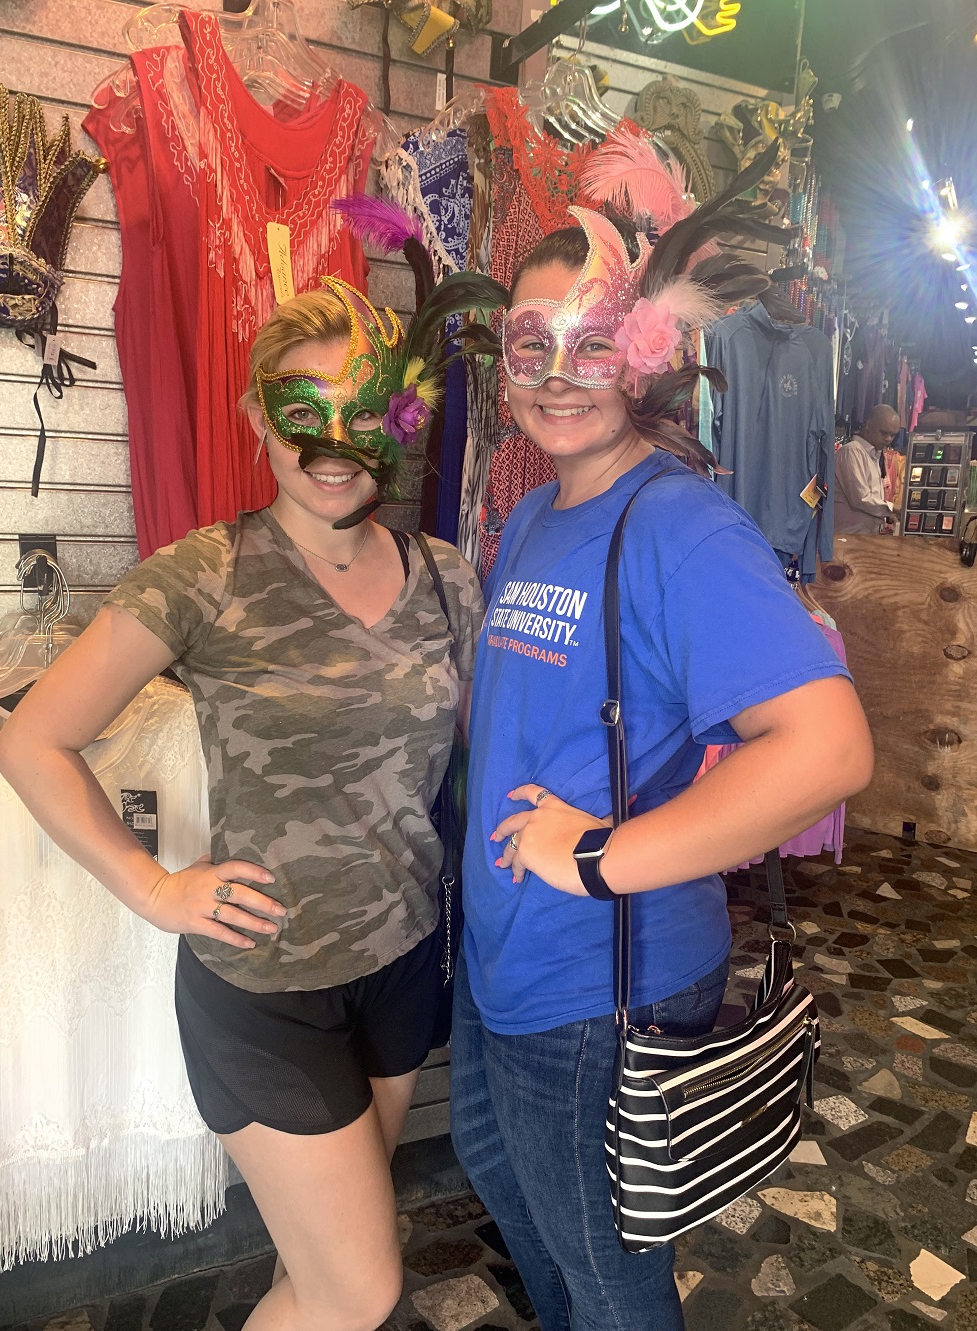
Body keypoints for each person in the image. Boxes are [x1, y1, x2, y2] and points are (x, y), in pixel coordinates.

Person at [0, 269, 501, 1331]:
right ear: (258, 418)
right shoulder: (205, 573)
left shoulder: (447, 576)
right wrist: (151, 886)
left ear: (399, 418)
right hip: (266, 989)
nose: (332, 442)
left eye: (363, 408)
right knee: (359, 1286)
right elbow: (35, 741)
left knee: (320, 1266)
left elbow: (480, 748)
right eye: (300, 410)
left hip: (402, 963)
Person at [450, 204, 875, 1331]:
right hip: (503, 952)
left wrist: (597, 855)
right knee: (504, 1182)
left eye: (591, 343)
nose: (556, 376)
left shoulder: (684, 528)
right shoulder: (532, 516)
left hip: (602, 978)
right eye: (531, 346)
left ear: (642, 354)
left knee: (605, 1271)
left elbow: (827, 746)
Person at [833, 403, 900, 533]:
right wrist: (893, 508)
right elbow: (860, 499)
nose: (888, 439)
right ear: (868, 425)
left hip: (860, 536)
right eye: (884, 433)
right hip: (848, 537)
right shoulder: (852, 451)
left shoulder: (873, 454)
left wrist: (887, 515)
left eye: (893, 435)